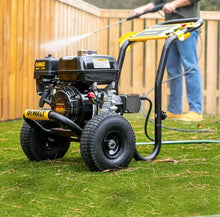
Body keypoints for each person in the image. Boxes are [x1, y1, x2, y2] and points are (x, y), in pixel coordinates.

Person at [134, 0, 203, 121]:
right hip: (170, 28)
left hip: (188, 27)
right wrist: (143, 9)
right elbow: (157, 3)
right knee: (172, 69)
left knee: (190, 67)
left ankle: (196, 111)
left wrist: (174, 4)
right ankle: (174, 109)